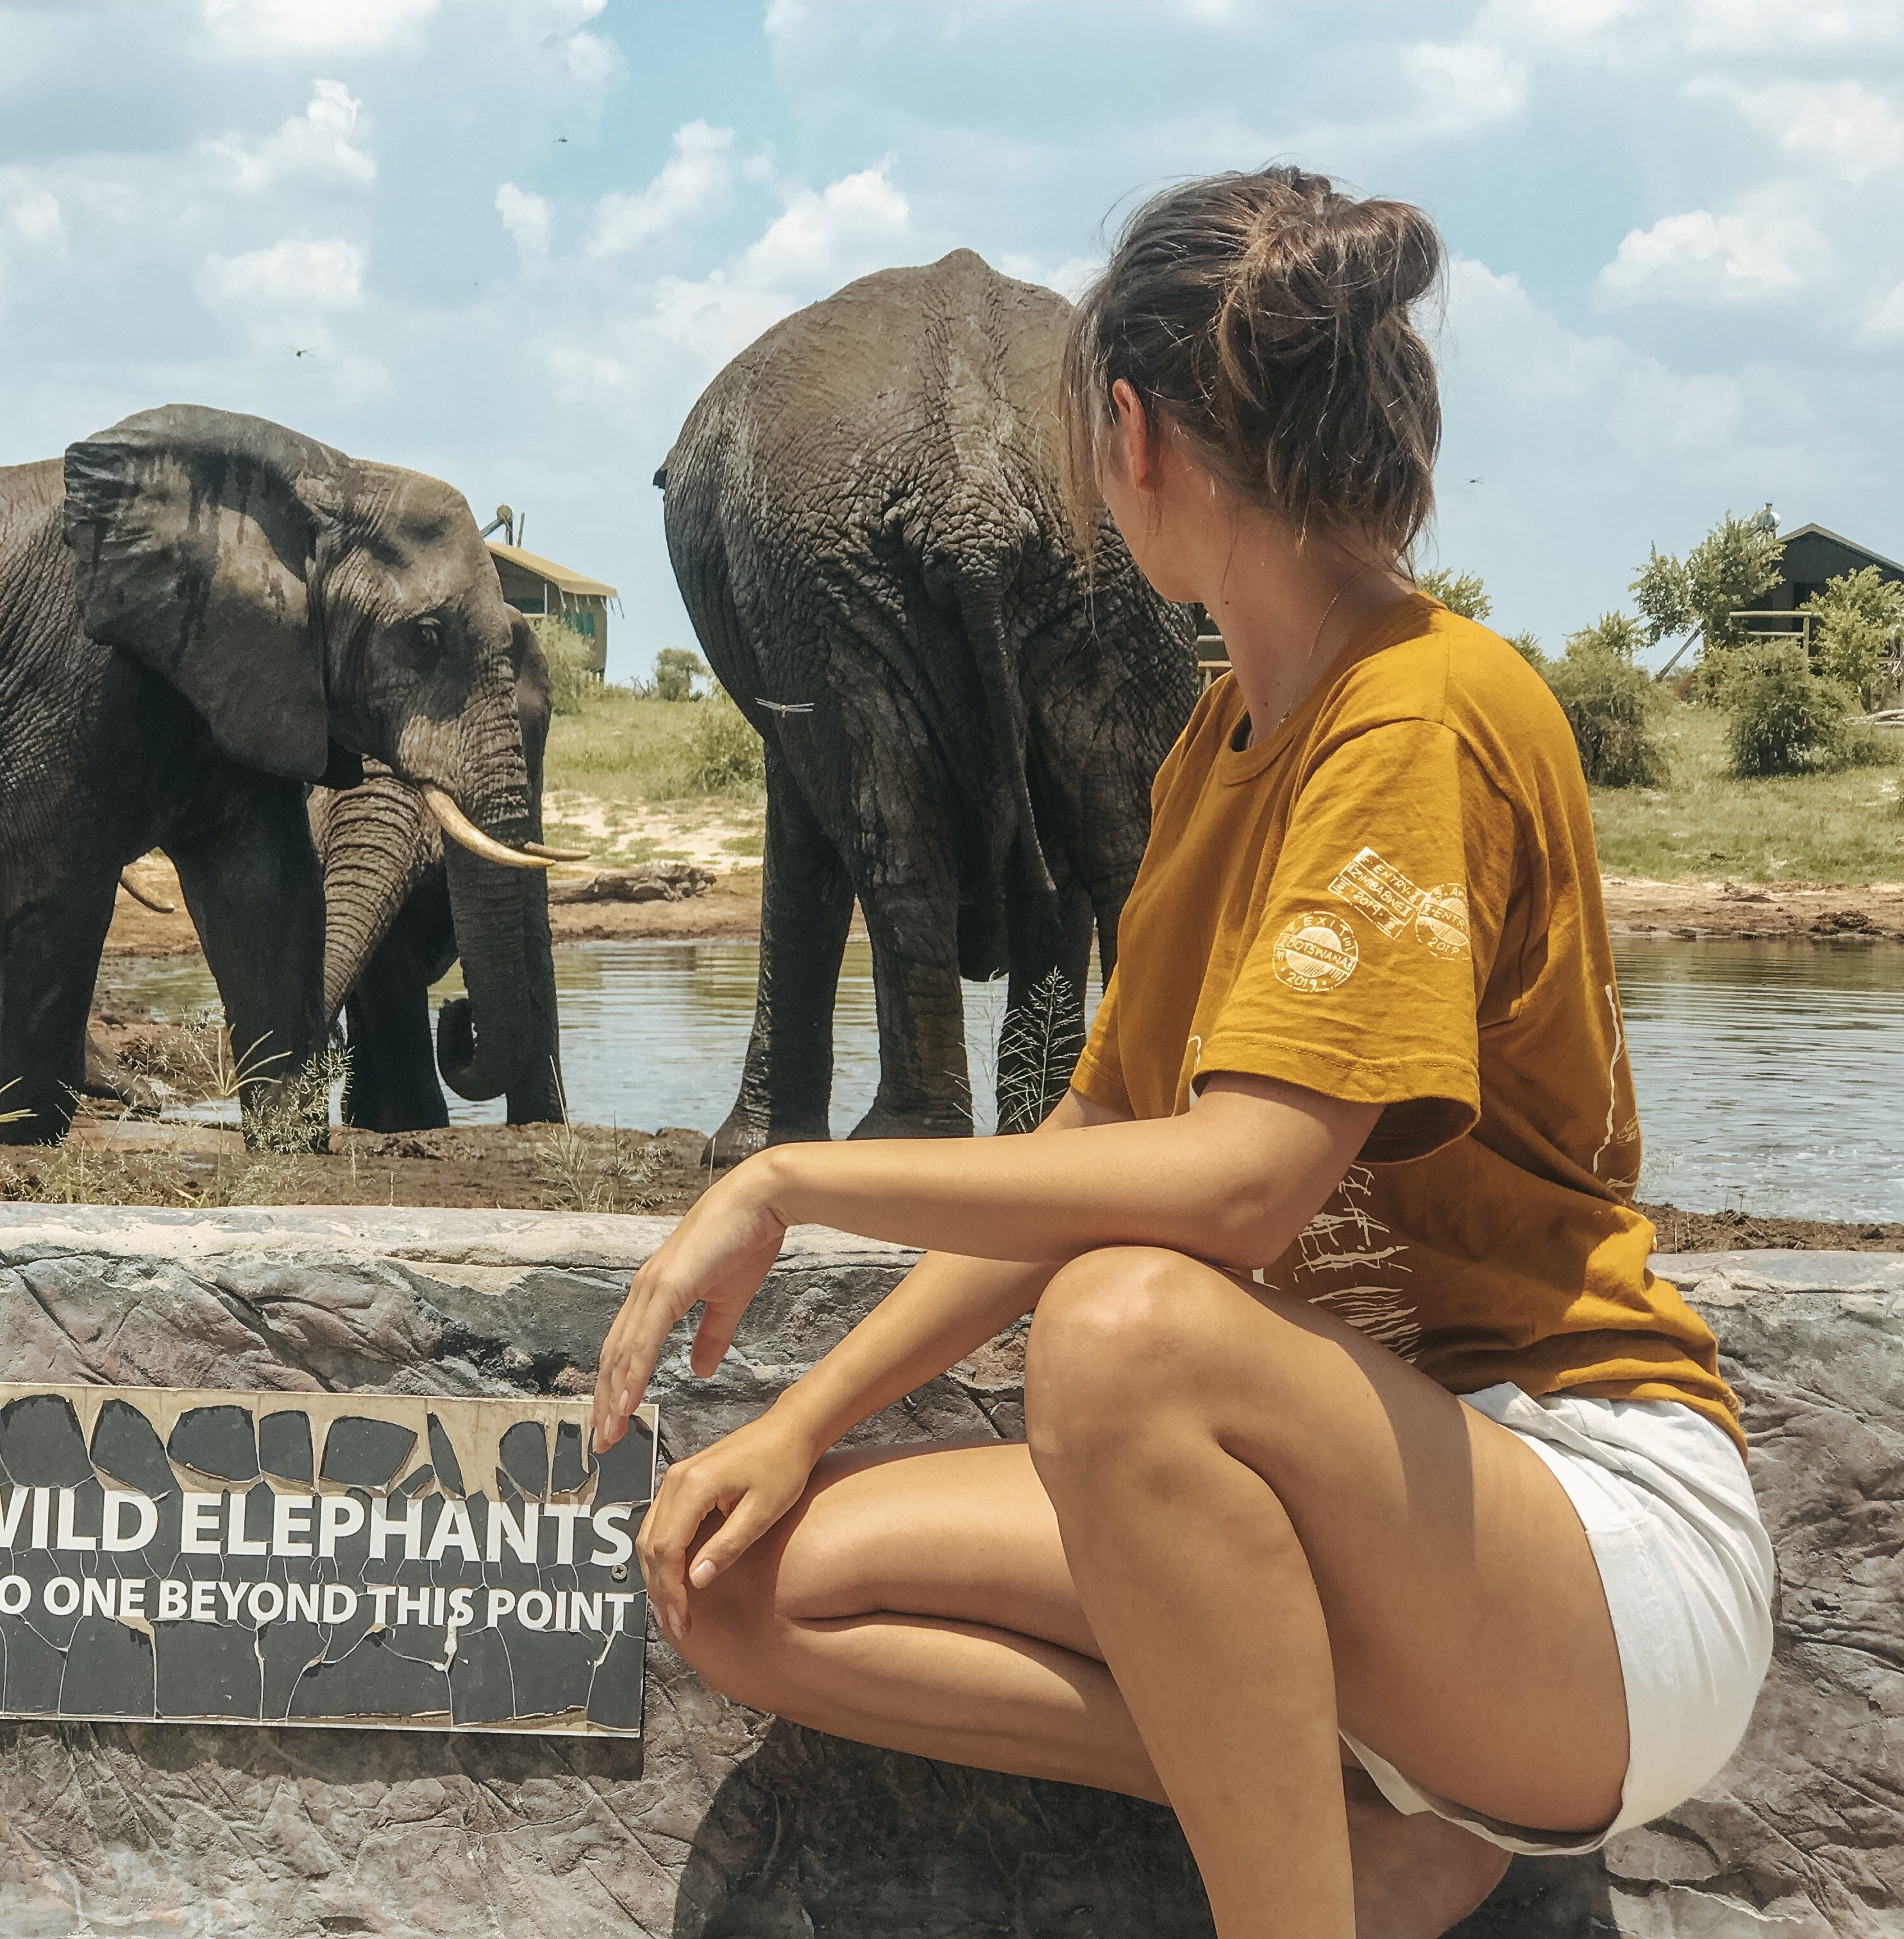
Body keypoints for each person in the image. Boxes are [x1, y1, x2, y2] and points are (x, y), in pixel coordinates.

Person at [587, 167, 1772, 1939]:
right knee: (741, 1580)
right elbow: (1087, 1144)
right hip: (1365, 1540)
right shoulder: (1226, 739)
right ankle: (1375, 1833)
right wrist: (802, 1420)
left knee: (1130, 1329)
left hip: (1592, 1551)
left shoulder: (1428, 713)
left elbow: (1238, 1183)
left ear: (1130, 432)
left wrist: (787, 1174)